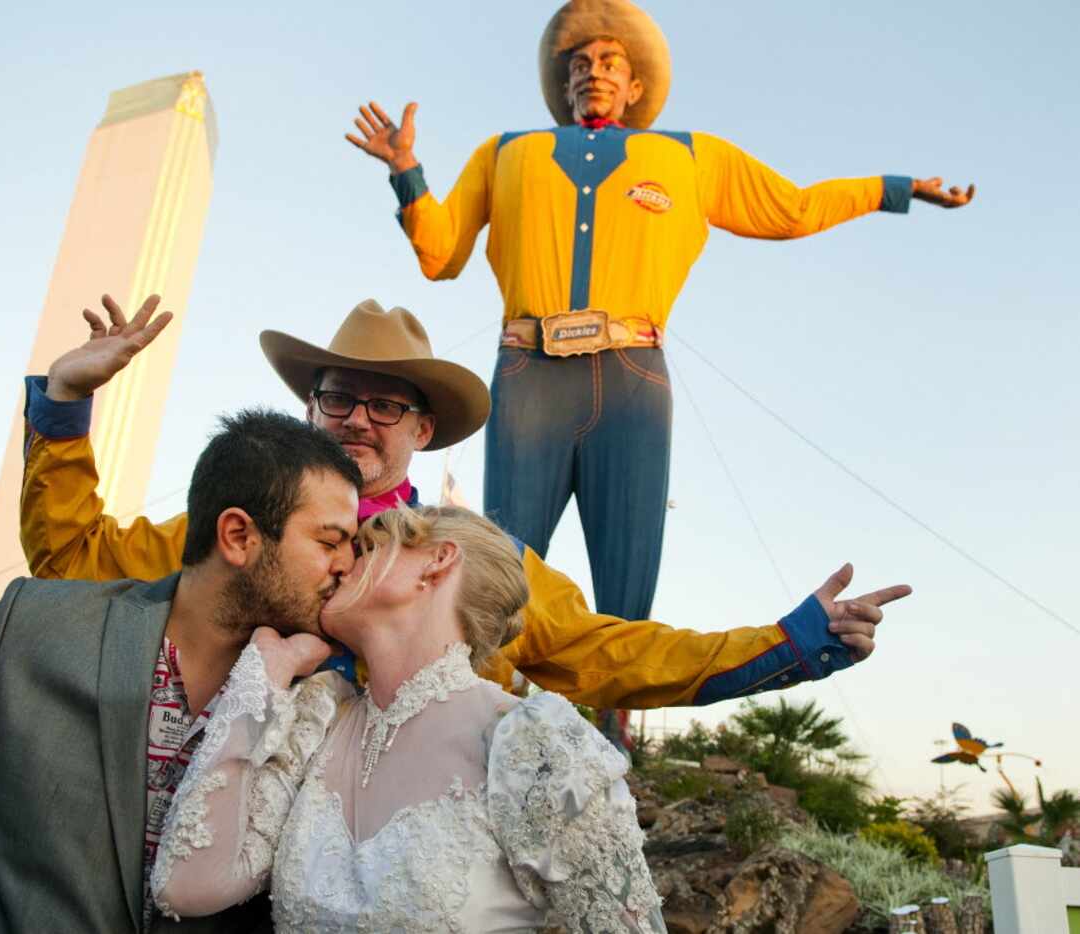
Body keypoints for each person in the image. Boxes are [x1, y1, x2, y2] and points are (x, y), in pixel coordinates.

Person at [345, 0, 969, 632]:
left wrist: (897, 189)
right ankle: (490, 715)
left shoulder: (689, 156)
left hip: (632, 377)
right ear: (563, 86)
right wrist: (407, 172)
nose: (594, 70)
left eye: (611, 61)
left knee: (628, 586)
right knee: (505, 575)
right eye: (581, 62)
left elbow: (794, 209)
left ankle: (611, 729)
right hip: (529, 372)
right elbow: (440, 254)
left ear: (636, 85)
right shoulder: (507, 151)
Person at [22, 294, 910, 711]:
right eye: (337, 397)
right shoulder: (238, 526)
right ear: (309, 409)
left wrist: (790, 640)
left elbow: (611, 653)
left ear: (425, 431)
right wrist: (65, 406)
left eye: (386, 404)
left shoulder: (468, 556)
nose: (357, 419)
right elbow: (73, 565)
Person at [0, 410, 362, 933]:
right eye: (329, 541)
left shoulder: (322, 710)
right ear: (239, 537)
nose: (346, 565)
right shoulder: (30, 628)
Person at [151, 504, 666, 932]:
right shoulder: (319, 716)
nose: (341, 566)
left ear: (437, 562)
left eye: (369, 548)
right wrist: (262, 676)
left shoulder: (534, 741)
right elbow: (188, 885)